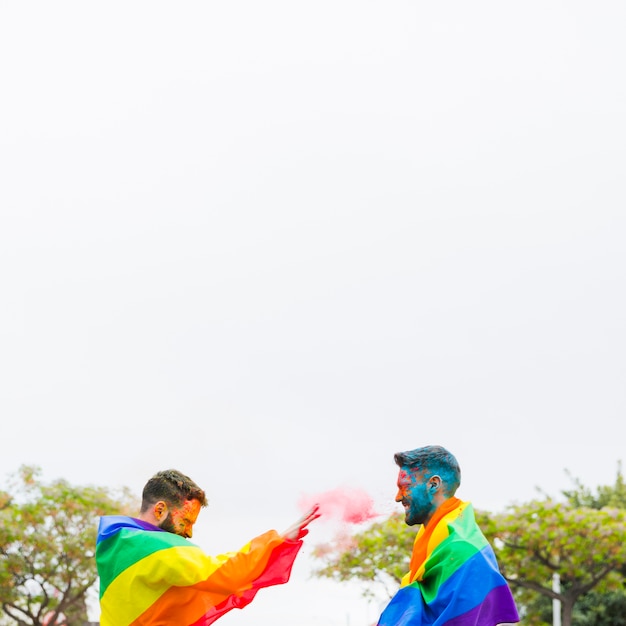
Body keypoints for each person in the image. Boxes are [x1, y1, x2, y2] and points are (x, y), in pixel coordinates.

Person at [95, 469, 319, 626]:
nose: (189, 532)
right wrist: (277, 541)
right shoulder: (156, 548)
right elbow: (223, 573)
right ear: (160, 509)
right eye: (187, 521)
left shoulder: (114, 541)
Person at [377, 445, 519, 626]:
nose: (398, 497)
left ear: (433, 485)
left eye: (405, 487)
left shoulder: (463, 550)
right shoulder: (434, 542)